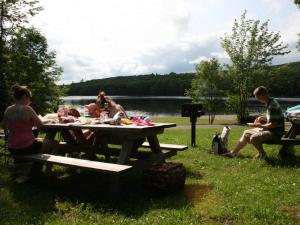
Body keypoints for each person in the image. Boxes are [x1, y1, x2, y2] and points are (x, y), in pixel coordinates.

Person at [2, 84, 55, 181]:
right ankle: (37, 171)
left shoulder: (8, 109)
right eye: (29, 98)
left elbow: (3, 126)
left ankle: (28, 169)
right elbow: (41, 126)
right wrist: (49, 121)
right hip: (26, 146)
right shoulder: (28, 109)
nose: (30, 100)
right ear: (24, 97)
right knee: (53, 144)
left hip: (12, 146)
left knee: (40, 141)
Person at [224, 86, 285, 159]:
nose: (258, 100)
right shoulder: (270, 101)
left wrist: (259, 125)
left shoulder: (272, 106)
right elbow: (273, 117)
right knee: (246, 133)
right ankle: (233, 153)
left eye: (258, 98)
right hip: (271, 130)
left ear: (263, 95)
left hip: (275, 133)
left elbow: (273, 125)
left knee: (253, 138)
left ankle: (262, 154)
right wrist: (262, 117)